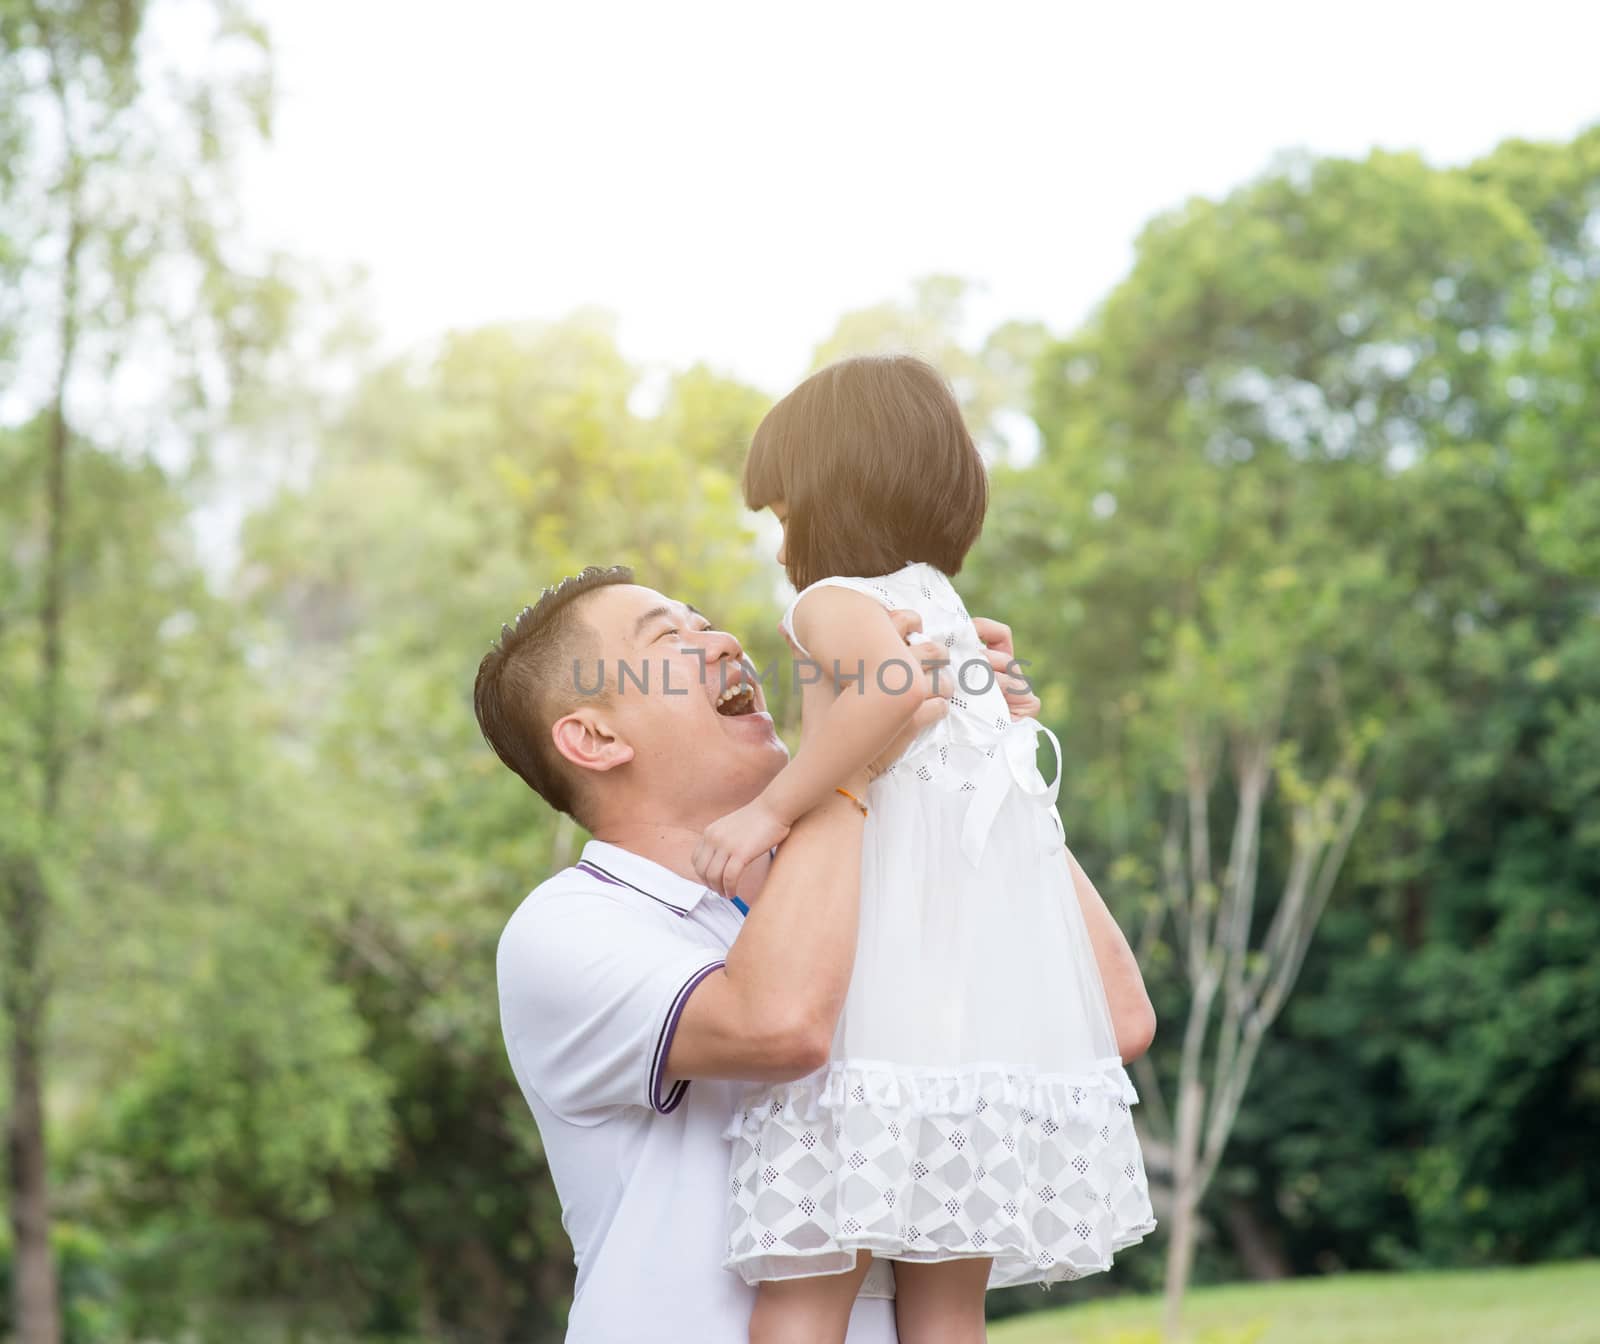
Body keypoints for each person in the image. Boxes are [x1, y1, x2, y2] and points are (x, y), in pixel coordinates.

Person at [475, 565, 1156, 1344]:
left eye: (706, 621)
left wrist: (972, 752)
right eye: (670, 637)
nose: (727, 640)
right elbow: (782, 1025)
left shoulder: (859, 876)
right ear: (594, 738)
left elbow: (1112, 1016)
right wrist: (852, 758)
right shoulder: (568, 926)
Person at [691, 355, 1158, 1344]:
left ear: (824, 495)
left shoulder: (833, 602)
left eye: (780, 515)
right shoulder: (947, 610)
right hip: (978, 1023)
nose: (780, 546)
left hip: (877, 1004)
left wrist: (768, 812)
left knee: (806, 1287)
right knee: (947, 1303)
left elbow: (892, 692)